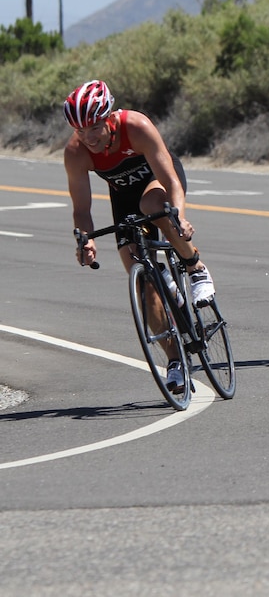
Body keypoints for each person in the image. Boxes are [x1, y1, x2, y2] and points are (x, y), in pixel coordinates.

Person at [64, 79, 215, 391]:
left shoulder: (136, 126)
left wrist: (180, 216)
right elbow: (82, 209)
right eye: (80, 130)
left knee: (153, 206)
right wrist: (86, 239)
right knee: (138, 274)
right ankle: (175, 361)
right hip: (123, 196)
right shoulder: (76, 152)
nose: (88, 137)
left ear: (109, 117)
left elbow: (171, 181)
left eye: (93, 127)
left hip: (158, 180)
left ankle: (195, 267)